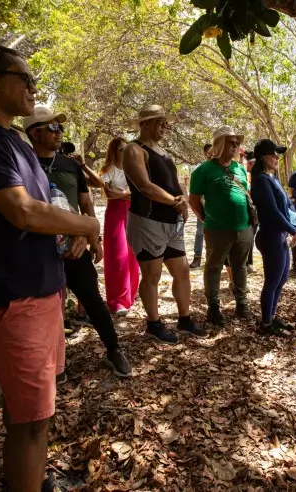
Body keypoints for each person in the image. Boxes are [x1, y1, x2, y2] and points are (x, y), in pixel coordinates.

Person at [0, 43, 99, 492]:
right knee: (32, 421)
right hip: (10, 299)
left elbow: (46, 206)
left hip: (41, 291)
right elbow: (22, 211)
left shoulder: (11, 140)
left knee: (30, 413)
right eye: (24, 78)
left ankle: (31, 477)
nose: (32, 87)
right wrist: (88, 224)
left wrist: (68, 237)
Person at [24, 107, 132, 378]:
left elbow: (85, 202)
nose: (60, 132)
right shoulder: (22, 165)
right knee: (47, 306)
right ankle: (54, 365)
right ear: (34, 132)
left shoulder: (70, 164)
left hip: (76, 245)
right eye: (53, 128)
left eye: (60, 128)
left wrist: (90, 238)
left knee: (93, 299)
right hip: (38, 249)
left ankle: (114, 350)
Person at [122, 104, 206, 344]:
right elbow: (143, 186)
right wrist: (175, 202)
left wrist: (183, 202)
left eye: (165, 122)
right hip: (147, 221)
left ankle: (184, 319)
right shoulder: (134, 149)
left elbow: (177, 183)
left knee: (182, 272)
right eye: (159, 122)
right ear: (145, 123)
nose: (164, 126)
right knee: (152, 275)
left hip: (172, 223)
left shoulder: (164, 152)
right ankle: (153, 324)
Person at [189, 126, 254, 327]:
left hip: (243, 228)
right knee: (214, 267)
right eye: (230, 143)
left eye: (237, 143)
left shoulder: (240, 168)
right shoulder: (203, 170)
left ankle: (242, 303)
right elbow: (194, 200)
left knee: (240, 267)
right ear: (220, 144)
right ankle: (214, 308)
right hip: (217, 229)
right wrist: (206, 218)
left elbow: (245, 195)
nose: (234, 147)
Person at [250, 139, 296, 338]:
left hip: (281, 235)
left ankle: (271, 316)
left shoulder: (272, 178)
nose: (277, 157)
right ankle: (265, 323)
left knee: (282, 279)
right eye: (273, 154)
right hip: (271, 236)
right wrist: (292, 230)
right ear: (263, 157)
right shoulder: (261, 181)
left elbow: (289, 205)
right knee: (272, 281)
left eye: (277, 154)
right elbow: (272, 212)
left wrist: (295, 226)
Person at [99, 136, 139, 316]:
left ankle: (131, 295)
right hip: (115, 214)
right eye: (122, 149)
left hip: (133, 212)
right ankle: (116, 301)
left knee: (132, 253)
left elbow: (137, 193)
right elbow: (108, 193)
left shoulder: (133, 170)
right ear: (114, 151)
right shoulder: (108, 170)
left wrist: (121, 194)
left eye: (127, 149)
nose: (125, 152)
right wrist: (126, 194)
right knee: (117, 255)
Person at [188, 143, 212, 269]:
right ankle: (197, 258)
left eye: (213, 151)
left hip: (216, 208)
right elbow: (196, 194)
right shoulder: (201, 169)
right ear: (205, 153)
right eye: (209, 152)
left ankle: (212, 258)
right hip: (203, 207)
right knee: (200, 233)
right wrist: (202, 206)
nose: (211, 154)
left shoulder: (220, 168)